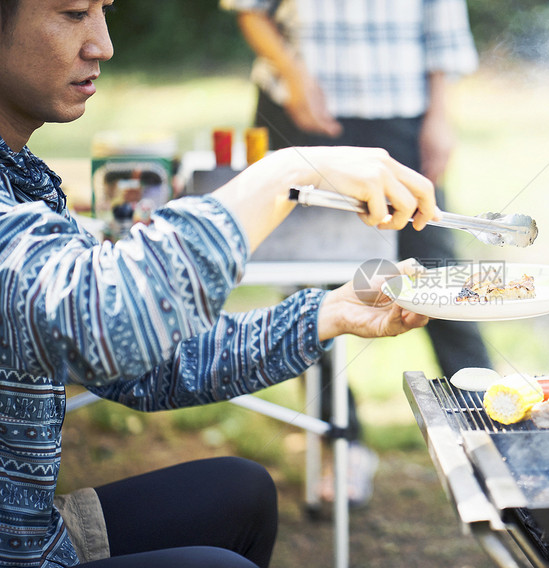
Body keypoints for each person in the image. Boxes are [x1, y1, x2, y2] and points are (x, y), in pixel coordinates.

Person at [0, 1, 439, 566]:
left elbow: (142, 365)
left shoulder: (23, 181)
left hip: (32, 532)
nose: (103, 45)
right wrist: (286, 171)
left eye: (103, 11)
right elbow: (108, 324)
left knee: (244, 492)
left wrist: (330, 313)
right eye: (74, 12)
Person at [220, 0, 493, 503]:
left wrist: (439, 114)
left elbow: (443, 24)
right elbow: (249, 9)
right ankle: (340, 446)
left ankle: (490, 434)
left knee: (441, 281)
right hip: (298, 111)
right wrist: (293, 72)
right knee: (311, 289)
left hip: (400, 118)